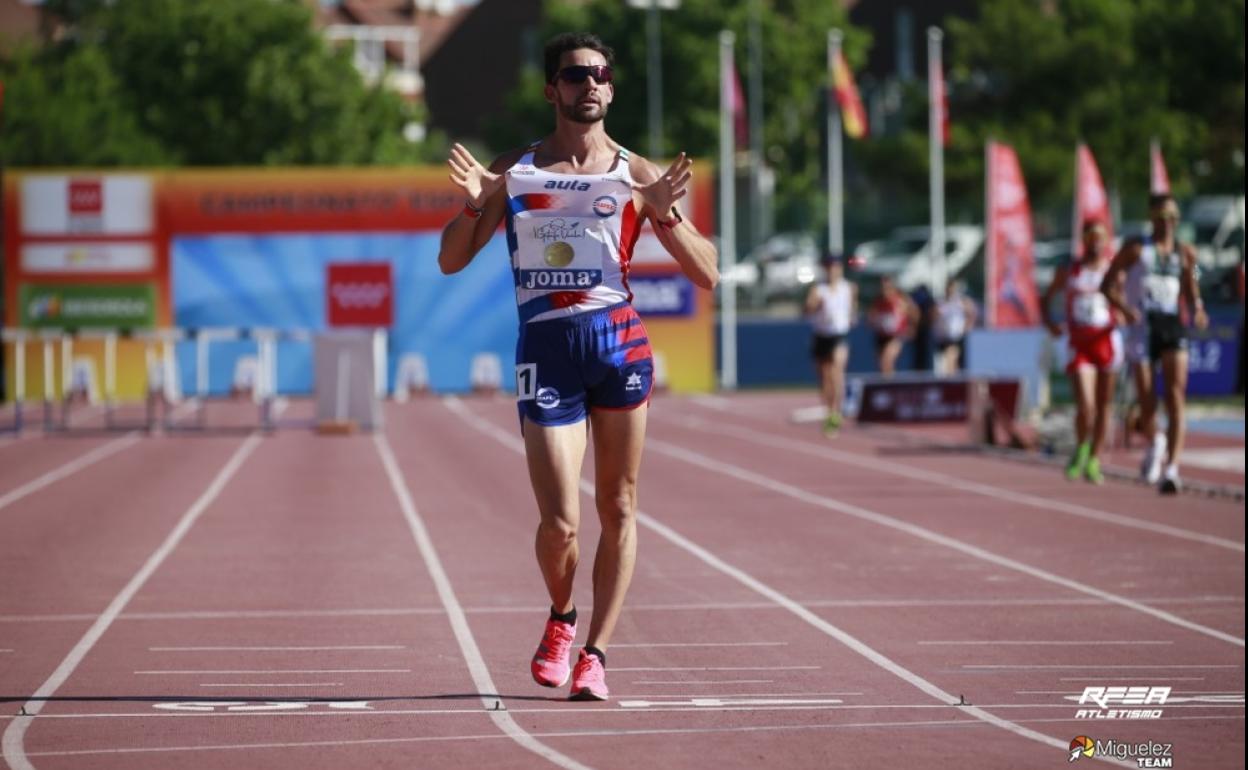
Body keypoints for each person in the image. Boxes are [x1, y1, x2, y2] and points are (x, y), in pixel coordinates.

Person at [437, 32, 718, 701]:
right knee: (560, 520)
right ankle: (561, 617)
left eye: (599, 74)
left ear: (612, 89)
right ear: (551, 89)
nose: (588, 84)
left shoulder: (637, 170)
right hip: (547, 348)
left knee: (618, 504)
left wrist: (665, 216)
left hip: (619, 343)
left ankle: (596, 652)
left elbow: (708, 273)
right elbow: (450, 259)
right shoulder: (518, 169)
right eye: (574, 75)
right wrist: (478, 200)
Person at [1102, 193, 1208, 494]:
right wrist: (1123, 308)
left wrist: (1198, 306)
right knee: (1147, 403)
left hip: (1172, 326)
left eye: (1172, 217)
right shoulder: (1135, 249)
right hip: (1142, 328)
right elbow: (1107, 283)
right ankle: (1156, 439)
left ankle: (1172, 468)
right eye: (1161, 217)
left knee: (1176, 395)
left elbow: (1195, 277)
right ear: (1152, 218)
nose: (1167, 223)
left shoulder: (1187, 253)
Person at [1042, 220, 1119, 484]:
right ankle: (1081, 448)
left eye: (1101, 237)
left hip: (1106, 341)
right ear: (1084, 240)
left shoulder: (1111, 270)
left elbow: (1124, 299)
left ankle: (1095, 459)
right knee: (1086, 406)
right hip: (1080, 343)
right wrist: (1051, 323)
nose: (1096, 242)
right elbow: (1047, 296)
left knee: (1103, 406)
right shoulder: (1070, 269)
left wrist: (1123, 313)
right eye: (1091, 237)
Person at [804, 254, 856, 435]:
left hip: (839, 336)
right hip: (821, 336)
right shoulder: (818, 289)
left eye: (835, 267)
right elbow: (807, 310)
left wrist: (849, 318)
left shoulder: (848, 288)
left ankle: (836, 411)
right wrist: (815, 306)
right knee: (824, 378)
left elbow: (851, 309)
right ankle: (829, 410)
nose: (832, 271)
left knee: (836, 372)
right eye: (829, 267)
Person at [868, 276, 917, 377]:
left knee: (886, 360)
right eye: (883, 288)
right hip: (881, 336)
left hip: (895, 336)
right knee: (882, 365)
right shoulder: (878, 301)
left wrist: (911, 327)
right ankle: (887, 383)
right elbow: (871, 318)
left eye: (888, 288)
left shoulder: (900, 300)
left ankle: (889, 384)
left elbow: (914, 312)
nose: (885, 290)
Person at [932, 279, 978, 376]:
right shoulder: (941, 303)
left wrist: (967, 326)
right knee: (947, 364)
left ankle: (952, 383)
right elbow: (933, 317)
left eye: (952, 288)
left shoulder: (960, 302)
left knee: (951, 360)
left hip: (956, 338)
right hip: (942, 338)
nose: (950, 290)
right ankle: (952, 382)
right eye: (949, 288)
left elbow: (971, 313)